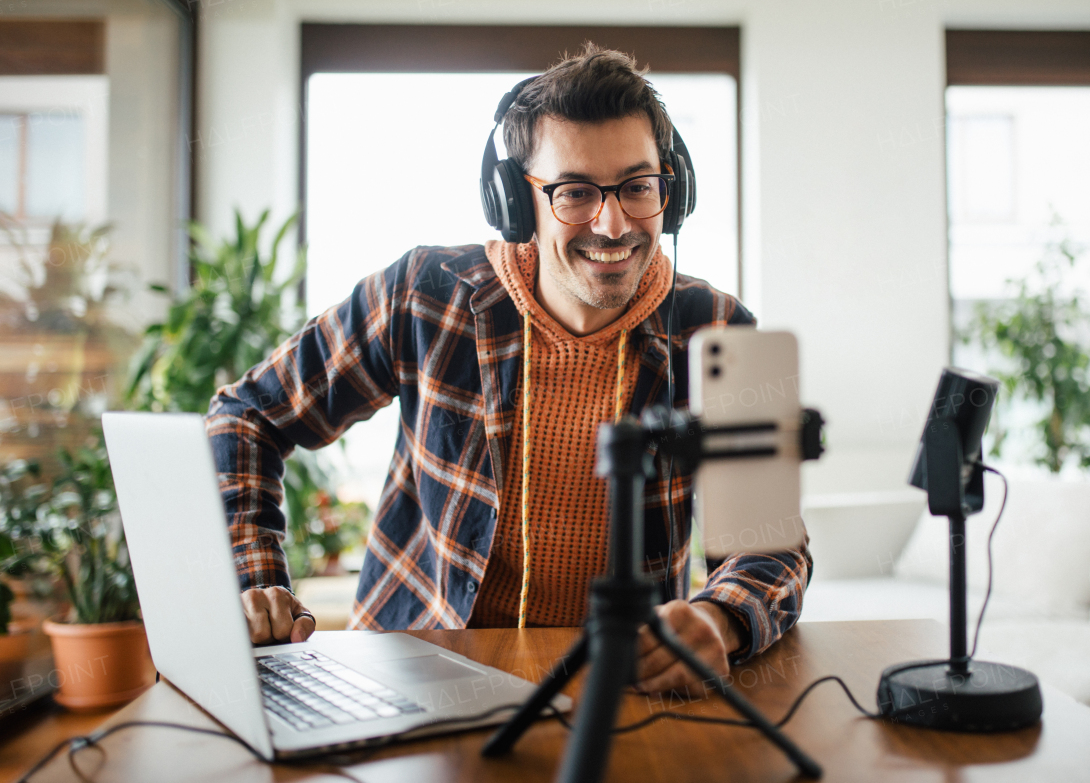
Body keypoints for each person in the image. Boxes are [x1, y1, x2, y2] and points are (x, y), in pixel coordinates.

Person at [209, 44, 812, 695]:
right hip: (415, 677)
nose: (612, 225)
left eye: (638, 187)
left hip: (620, 688)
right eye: (574, 192)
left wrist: (720, 617)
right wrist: (258, 577)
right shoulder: (423, 293)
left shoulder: (718, 330)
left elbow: (769, 543)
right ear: (514, 202)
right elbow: (247, 416)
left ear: (672, 188)